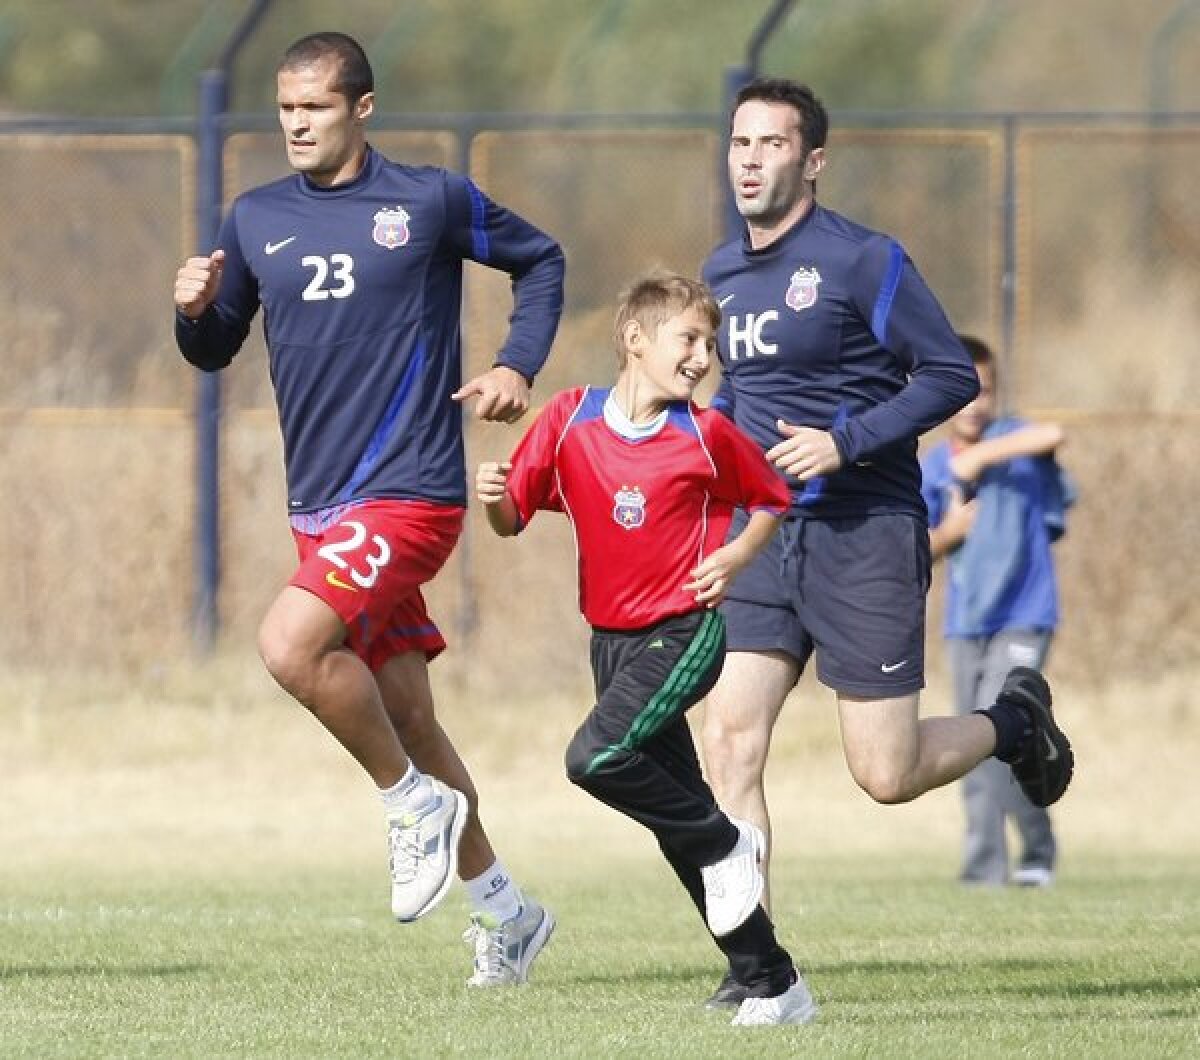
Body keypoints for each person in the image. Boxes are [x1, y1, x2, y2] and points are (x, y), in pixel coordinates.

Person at [172, 31, 563, 986]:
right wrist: (192, 311)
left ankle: (408, 803)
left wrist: (516, 365)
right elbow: (216, 349)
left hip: (409, 491)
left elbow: (542, 260)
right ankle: (507, 913)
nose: (297, 124)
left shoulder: (428, 201)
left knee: (289, 647)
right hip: (320, 505)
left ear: (362, 107)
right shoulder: (255, 217)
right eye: (286, 108)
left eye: (315, 106)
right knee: (409, 715)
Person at [697, 78, 1075, 1007]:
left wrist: (845, 441)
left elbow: (947, 375)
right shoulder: (722, 271)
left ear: (813, 161)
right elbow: (737, 399)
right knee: (729, 740)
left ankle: (1012, 723)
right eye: (740, 142)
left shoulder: (863, 259)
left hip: (865, 533)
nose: (750, 160)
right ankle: (758, 967)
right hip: (768, 536)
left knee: (885, 772)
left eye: (772, 144)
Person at [475, 271, 817, 1026]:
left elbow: (771, 498)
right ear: (635, 338)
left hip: (685, 633)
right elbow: (511, 519)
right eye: (688, 339)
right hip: (611, 646)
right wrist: (494, 499)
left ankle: (728, 844)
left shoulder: (706, 434)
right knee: (673, 819)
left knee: (592, 757)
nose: (702, 357)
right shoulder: (569, 419)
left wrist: (734, 557)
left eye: (709, 344)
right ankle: (772, 981)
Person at [921, 336, 1074, 888]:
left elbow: (1053, 434)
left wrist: (982, 457)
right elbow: (918, 547)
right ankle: (984, 869)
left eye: (984, 391)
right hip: (966, 623)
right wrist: (949, 531)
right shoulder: (933, 467)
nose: (974, 403)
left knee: (1005, 721)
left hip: (1024, 614)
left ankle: (1035, 854)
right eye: (964, 392)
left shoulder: (1015, 443)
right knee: (973, 741)